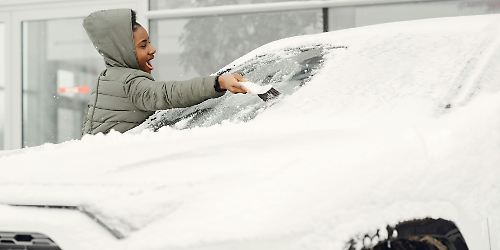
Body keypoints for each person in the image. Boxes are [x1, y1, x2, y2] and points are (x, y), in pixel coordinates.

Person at [81, 9, 246, 135]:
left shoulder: (106, 79)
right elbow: (168, 94)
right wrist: (218, 83)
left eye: (149, 43)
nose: (152, 50)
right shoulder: (130, 83)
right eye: (143, 45)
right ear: (122, 50)